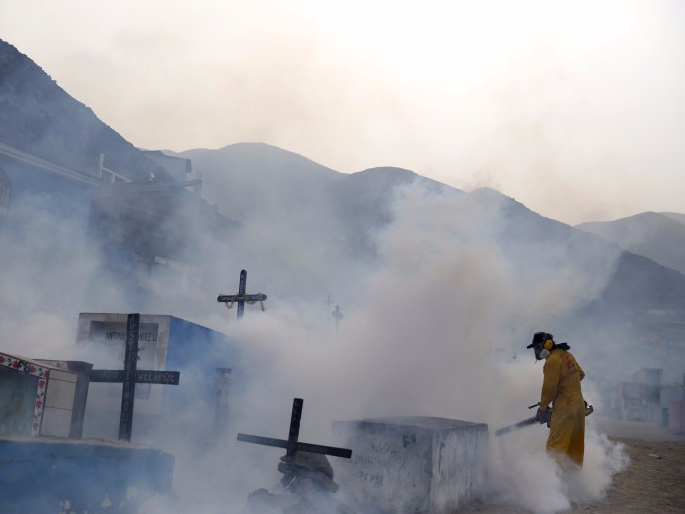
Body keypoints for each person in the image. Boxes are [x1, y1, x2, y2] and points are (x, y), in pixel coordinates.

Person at [527, 331, 586, 468]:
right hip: (578, 405)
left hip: (564, 407)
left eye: (537, 347)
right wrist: (569, 387)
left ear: (547, 344)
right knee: (574, 447)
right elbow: (580, 374)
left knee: (556, 448)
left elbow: (549, 390)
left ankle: (553, 484)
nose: (536, 351)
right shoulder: (567, 355)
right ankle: (574, 482)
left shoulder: (552, 361)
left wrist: (542, 408)